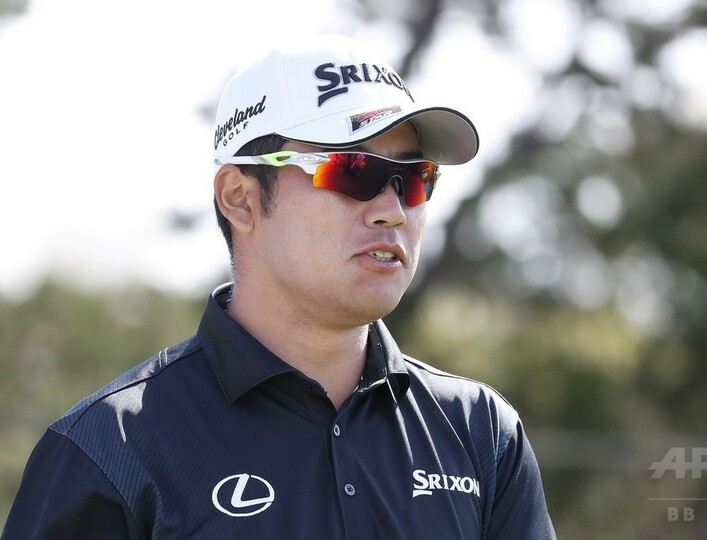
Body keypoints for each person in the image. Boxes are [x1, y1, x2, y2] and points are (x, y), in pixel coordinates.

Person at [2, 34, 556, 539]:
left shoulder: (482, 432)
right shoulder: (107, 451)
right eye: (353, 169)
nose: (392, 209)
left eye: (414, 178)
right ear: (240, 198)